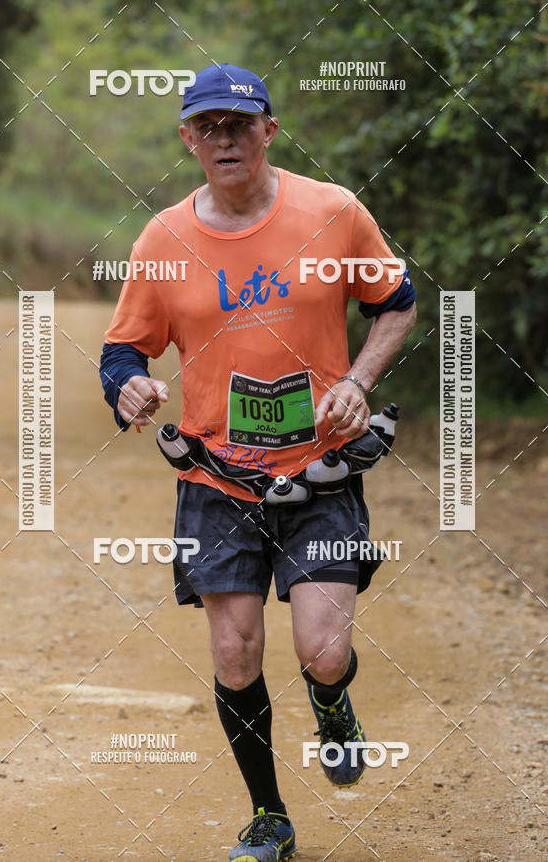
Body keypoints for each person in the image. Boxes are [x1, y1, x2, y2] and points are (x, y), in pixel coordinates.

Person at [100, 62, 416, 862]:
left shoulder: (334, 211)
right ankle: (269, 816)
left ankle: (333, 702)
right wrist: (129, 386)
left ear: (269, 130)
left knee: (324, 649)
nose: (224, 139)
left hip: (321, 471)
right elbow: (122, 349)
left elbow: (396, 303)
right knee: (236, 652)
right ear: (187, 140)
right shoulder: (164, 238)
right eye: (207, 127)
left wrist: (357, 379)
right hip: (218, 479)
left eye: (238, 124)